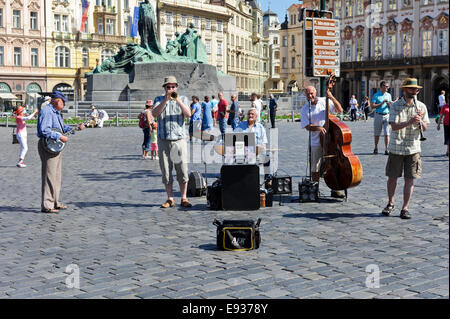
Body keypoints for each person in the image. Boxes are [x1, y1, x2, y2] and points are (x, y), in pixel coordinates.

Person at [382, 78, 429, 220]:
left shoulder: (421, 106)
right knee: (392, 178)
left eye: (416, 89)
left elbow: (426, 128)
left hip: (413, 147)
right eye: (411, 89)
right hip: (397, 146)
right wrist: (409, 122)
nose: (414, 91)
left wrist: (420, 122)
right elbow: (394, 126)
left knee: (410, 179)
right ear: (404, 90)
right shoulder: (396, 105)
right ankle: (390, 203)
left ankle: (405, 208)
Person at [37, 91, 85, 213]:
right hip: (48, 146)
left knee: (56, 176)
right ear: (57, 100)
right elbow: (44, 130)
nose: (64, 104)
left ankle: (55, 202)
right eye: (63, 102)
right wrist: (59, 137)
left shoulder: (56, 113)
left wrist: (76, 127)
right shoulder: (47, 111)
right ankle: (47, 205)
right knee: (49, 176)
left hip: (55, 147)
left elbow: (63, 128)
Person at [152, 75, 192, 208]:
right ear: (164, 88)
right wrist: (165, 100)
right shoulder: (159, 99)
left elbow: (188, 114)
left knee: (182, 169)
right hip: (163, 140)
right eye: (168, 87)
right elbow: (155, 114)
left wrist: (178, 100)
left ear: (177, 87)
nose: (170, 89)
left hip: (179, 140)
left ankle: (184, 198)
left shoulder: (184, 99)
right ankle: (170, 198)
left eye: (173, 87)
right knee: (166, 171)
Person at [300, 86, 344, 198]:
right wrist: (318, 128)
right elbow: (306, 126)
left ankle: (335, 188)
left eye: (312, 93)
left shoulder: (324, 101)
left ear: (316, 93)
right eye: (308, 94)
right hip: (315, 142)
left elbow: (340, 110)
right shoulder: (305, 109)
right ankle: (315, 189)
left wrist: (332, 97)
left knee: (334, 164)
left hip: (330, 140)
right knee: (315, 167)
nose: (310, 96)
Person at [371, 81, 392, 155]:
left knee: (387, 133)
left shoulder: (389, 95)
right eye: (385, 86)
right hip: (378, 115)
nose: (387, 88)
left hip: (387, 115)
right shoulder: (376, 95)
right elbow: (372, 106)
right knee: (377, 133)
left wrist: (389, 104)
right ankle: (376, 147)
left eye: (388, 86)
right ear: (381, 87)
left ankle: (387, 149)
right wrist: (382, 103)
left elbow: (390, 106)